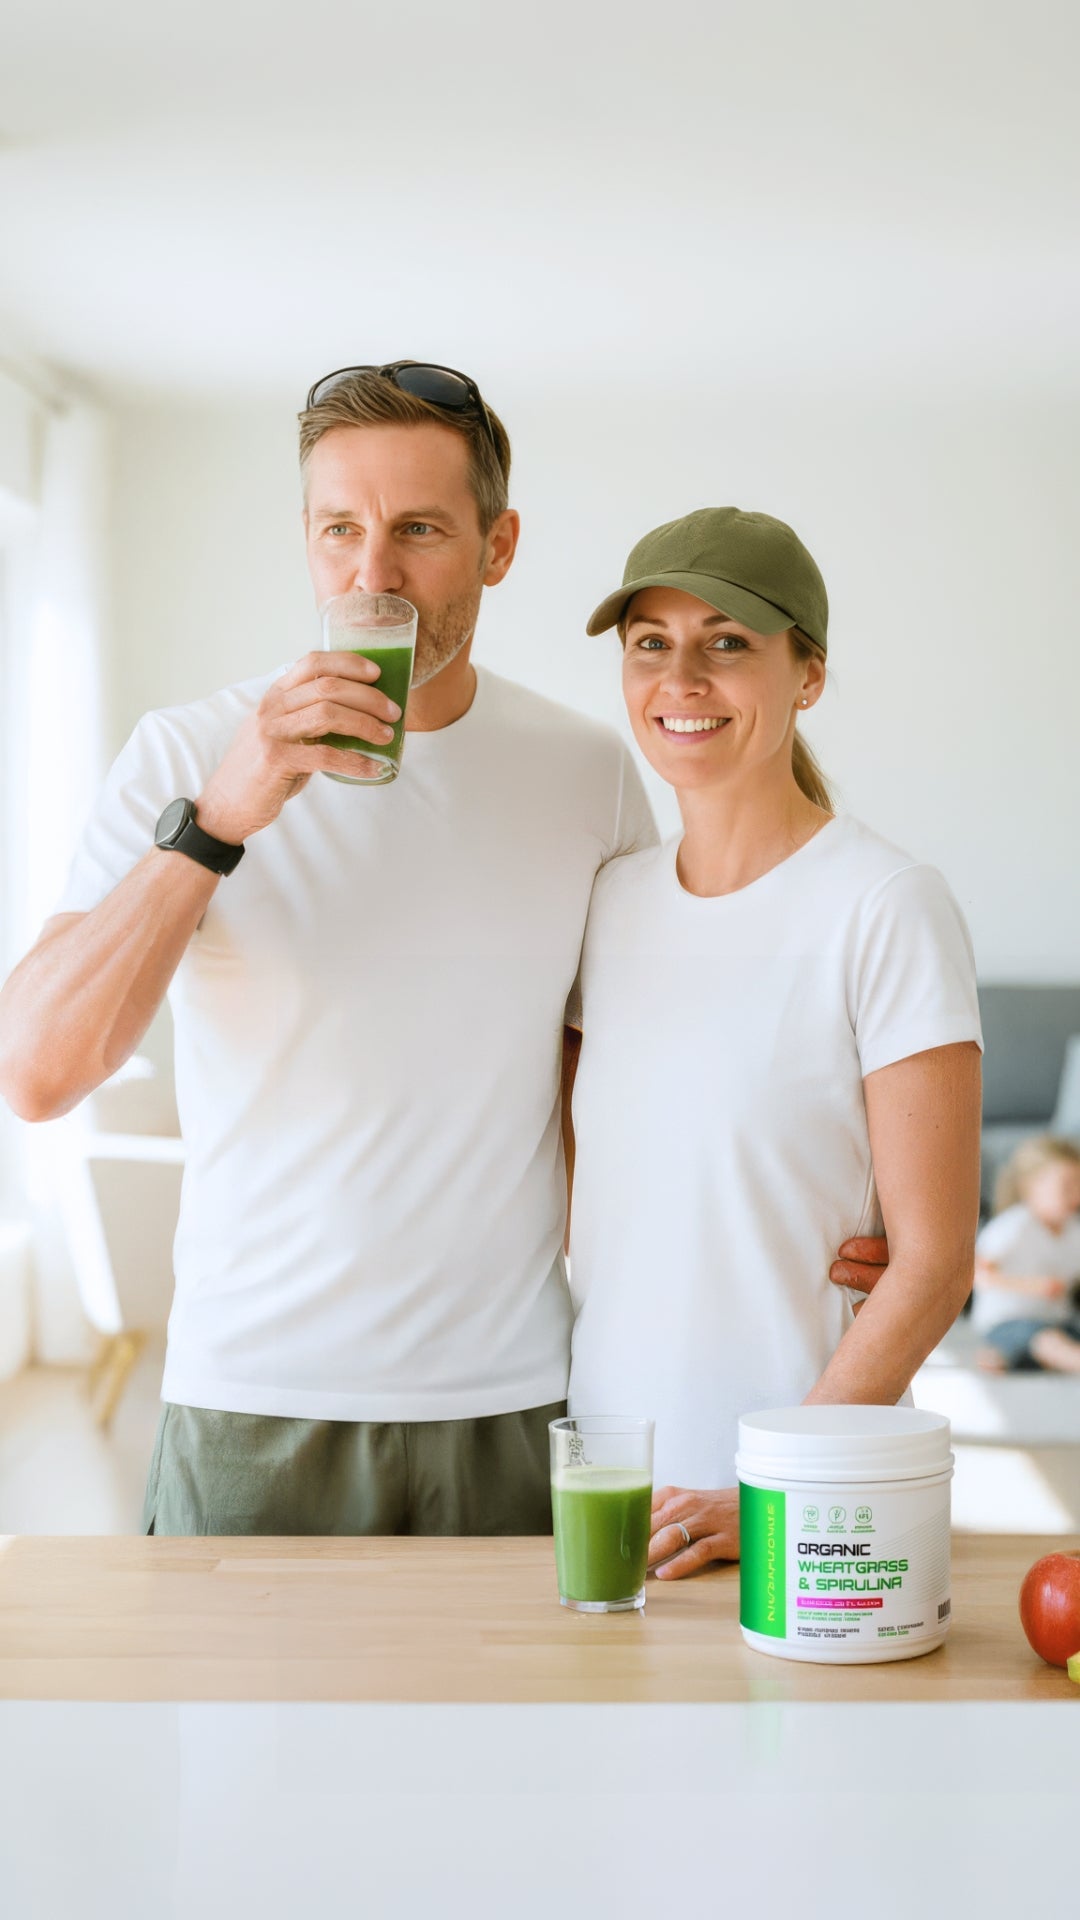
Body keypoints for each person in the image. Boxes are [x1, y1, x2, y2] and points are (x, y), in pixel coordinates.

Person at [0, 371, 884, 1536]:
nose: (374, 574)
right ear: (307, 540)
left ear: (496, 547)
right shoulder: (189, 754)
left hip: (513, 1405)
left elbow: (636, 1070)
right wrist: (220, 818)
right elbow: (37, 1072)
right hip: (252, 1404)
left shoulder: (585, 773)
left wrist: (825, 1213)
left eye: (418, 530)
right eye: (340, 530)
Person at [564, 506, 984, 1578]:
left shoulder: (886, 903)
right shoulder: (608, 902)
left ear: (809, 676)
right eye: (650, 642)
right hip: (607, 1488)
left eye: (728, 642)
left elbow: (935, 1264)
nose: (681, 678)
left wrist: (772, 1489)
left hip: (803, 1509)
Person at [972, 1136, 1080, 1373]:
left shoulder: (1073, 1230)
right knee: (1046, 1341)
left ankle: (1015, 1359)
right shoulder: (1014, 1227)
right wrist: (1033, 1286)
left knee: (1057, 1336)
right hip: (1008, 1321)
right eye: (1066, 1186)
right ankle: (1004, 1354)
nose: (1076, 1195)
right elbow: (977, 1275)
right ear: (1031, 1186)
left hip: (1056, 1321)